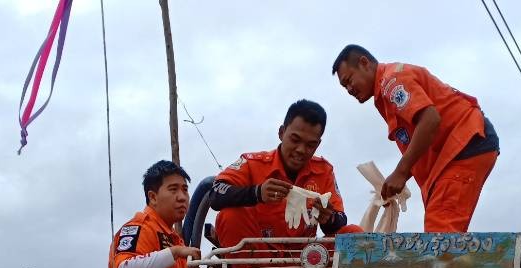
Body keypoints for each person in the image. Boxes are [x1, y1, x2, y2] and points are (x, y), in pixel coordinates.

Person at [331, 45, 499, 232]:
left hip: (465, 143)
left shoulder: (391, 81)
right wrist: (398, 177)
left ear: (364, 63)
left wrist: (401, 171)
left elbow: (430, 119)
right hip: (456, 150)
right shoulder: (385, 92)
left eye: (349, 80)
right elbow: (422, 136)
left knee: (440, 230)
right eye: (344, 86)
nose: (348, 89)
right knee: (442, 230)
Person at [211, 99, 348, 247]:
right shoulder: (252, 163)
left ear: (318, 144)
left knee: (352, 233)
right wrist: (257, 193)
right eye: (295, 140)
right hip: (257, 258)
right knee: (229, 216)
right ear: (281, 133)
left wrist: (329, 218)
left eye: (310, 145)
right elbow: (215, 193)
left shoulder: (324, 171)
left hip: (306, 262)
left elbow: (340, 219)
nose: (301, 150)